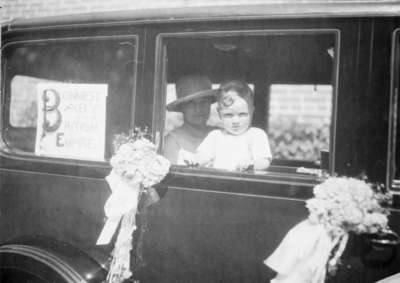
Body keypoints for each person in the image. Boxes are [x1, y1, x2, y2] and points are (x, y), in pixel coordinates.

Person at [184, 80, 272, 171]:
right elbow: (203, 155)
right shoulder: (215, 136)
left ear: (252, 112)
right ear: (219, 114)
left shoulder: (256, 135)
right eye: (228, 115)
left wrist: (252, 164)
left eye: (242, 114)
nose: (235, 121)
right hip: (219, 182)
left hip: (245, 183)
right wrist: (196, 161)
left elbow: (264, 161)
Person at [164, 75, 217, 164]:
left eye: (203, 102)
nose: (198, 109)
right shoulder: (172, 140)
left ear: (209, 104)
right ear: (182, 107)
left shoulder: (220, 134)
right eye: (191, 104)